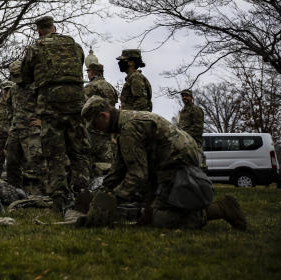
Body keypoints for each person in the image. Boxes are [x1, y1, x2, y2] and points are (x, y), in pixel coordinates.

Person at [81, 96, 246, 230]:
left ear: (103, 116)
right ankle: (150, 215)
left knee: (163, 219)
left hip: (176, 162)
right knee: (152, 214)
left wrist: (113, 199)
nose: (97, 129)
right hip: (165, 162)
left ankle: (223, 208)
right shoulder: (123, 126)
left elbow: (138, 175)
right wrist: (103, 193)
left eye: (95, 124)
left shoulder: (129, 129)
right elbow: (119, 167)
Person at [21, 15, 90, 210]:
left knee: (54, 153)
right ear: (54, 27)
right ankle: (83, 192)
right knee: (79, 151)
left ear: (38, 31)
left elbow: (25, 76)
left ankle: (59, 199)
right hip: (76, 103)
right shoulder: (75, 46)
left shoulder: (35, 48)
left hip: (50, 105)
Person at [4, 59, 45, 195]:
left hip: (32, 131)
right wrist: (12, 119)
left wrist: (42, 121)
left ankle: (40, 192)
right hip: (16, 130)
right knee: (11, 161)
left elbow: (48, 105)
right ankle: (14, 191)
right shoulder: (14, 89)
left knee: (36, 161)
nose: (19, 80)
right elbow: (9, 105)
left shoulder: (37, 86)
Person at [84, 61, 118, 175]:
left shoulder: (91, 87)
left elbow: (83, 106)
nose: (88, 74)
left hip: (95, 128)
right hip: (110, 126)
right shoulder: (110, 87)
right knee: (107, 159)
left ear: (92, 72)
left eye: (88, 72)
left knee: (91, 159)